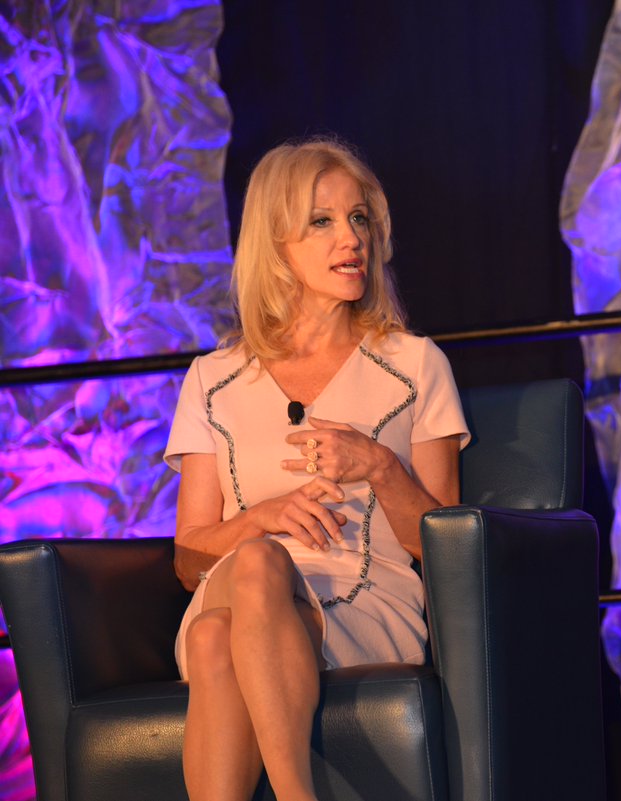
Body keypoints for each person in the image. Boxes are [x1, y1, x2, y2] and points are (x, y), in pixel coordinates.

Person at [164, 138, 469, 801]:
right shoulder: (213, 379)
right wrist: (262, 520)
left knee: (216, 640)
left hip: (364, 601)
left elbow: (446, 546)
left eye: (359, 218)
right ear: (276, 243)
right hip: (238, 585)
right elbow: (189, 560)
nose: (351, 238)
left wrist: (379, 466)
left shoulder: (414, 365)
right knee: (254, 565)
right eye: (323, 221)